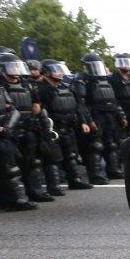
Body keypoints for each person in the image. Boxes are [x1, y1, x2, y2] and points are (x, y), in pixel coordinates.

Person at [37, 60, 93, 190]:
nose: (60, 73)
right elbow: (38, 110)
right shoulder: (40, 89)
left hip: (68, 127)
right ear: (46, 72)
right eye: (56, 70)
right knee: (53, 158)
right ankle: (54, 186)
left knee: (71, 155)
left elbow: (77, 106)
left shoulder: (66, 87)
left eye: (60, 70)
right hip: (52, 128)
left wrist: (83, 122)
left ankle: (75, 180)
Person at [0, 53, 37, 211]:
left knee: (10, 170)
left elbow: (13, 109)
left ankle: (15, 200)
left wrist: (8, 127)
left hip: (3, 136)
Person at [72, 53, 128, 183]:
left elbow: (114, 100)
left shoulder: (106, 79)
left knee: (112, 144)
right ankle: (96, 174)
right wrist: (88, 120)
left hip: (109, 114)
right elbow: (81, 103)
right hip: (95, 114)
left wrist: (121, 116)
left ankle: (113, 170)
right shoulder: (82, 80)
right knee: (95, 145)